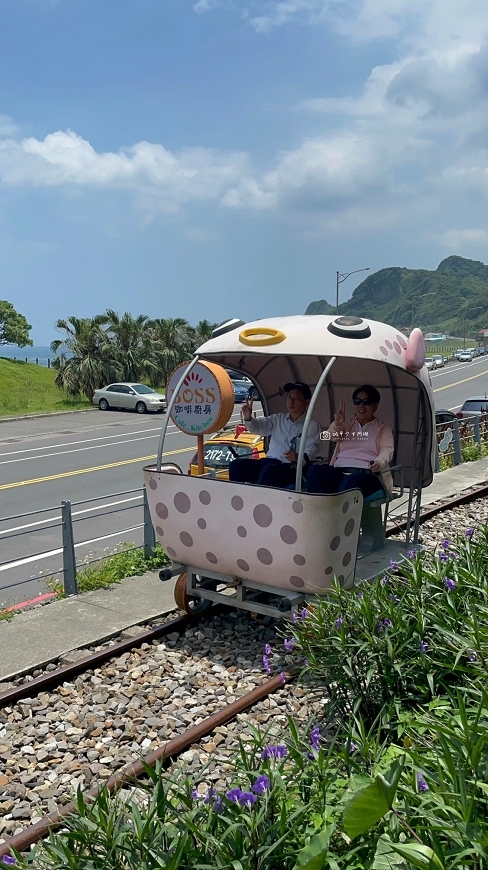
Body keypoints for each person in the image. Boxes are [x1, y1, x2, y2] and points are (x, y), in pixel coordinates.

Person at [306, 385, 393, 497]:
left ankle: (336, 513)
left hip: (367, 473)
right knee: (315, 472)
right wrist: (337, 424)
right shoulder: (346, 425)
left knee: (351, 483)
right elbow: (330, 437)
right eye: (357, 401)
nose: (361, 406)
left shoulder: (383, 429)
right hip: (340, 472)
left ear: (375, 406)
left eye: (366, 402)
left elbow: (387, 450)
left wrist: (378, 463)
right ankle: (316, 508)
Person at [229, 382, 321, 488]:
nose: (291, 401)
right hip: (268, 461)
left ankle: (257, 501)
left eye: (296, 398)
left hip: (290, 467)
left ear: (307, 402)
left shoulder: (312, 426)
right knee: (236, 465)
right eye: (289, 397)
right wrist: (248, 418)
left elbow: (312, 450)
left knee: (269, 472)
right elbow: (257, 427)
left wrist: (297, 456)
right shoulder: (278, 419)